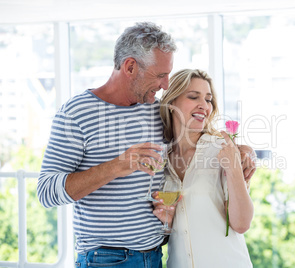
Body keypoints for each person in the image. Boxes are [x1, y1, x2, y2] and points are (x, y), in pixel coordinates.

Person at [37, 22, 256, 267]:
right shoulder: (76, 113)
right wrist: (116, 166)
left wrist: (241, 150)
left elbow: (195, 132)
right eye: (160, 75)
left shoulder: (157, 110)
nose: (165, 85)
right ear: (130, 66)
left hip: (156, 257)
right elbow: (46, 192)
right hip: (107, 260)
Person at [156, 69, 254, 267]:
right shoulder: (160, 162)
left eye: (208, 100)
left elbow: (242, 224)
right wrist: (166, 224)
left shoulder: (222, 150)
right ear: (171, 102)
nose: (204, 106)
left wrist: (234, 169)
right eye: (193, 97)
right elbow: (167, 238)